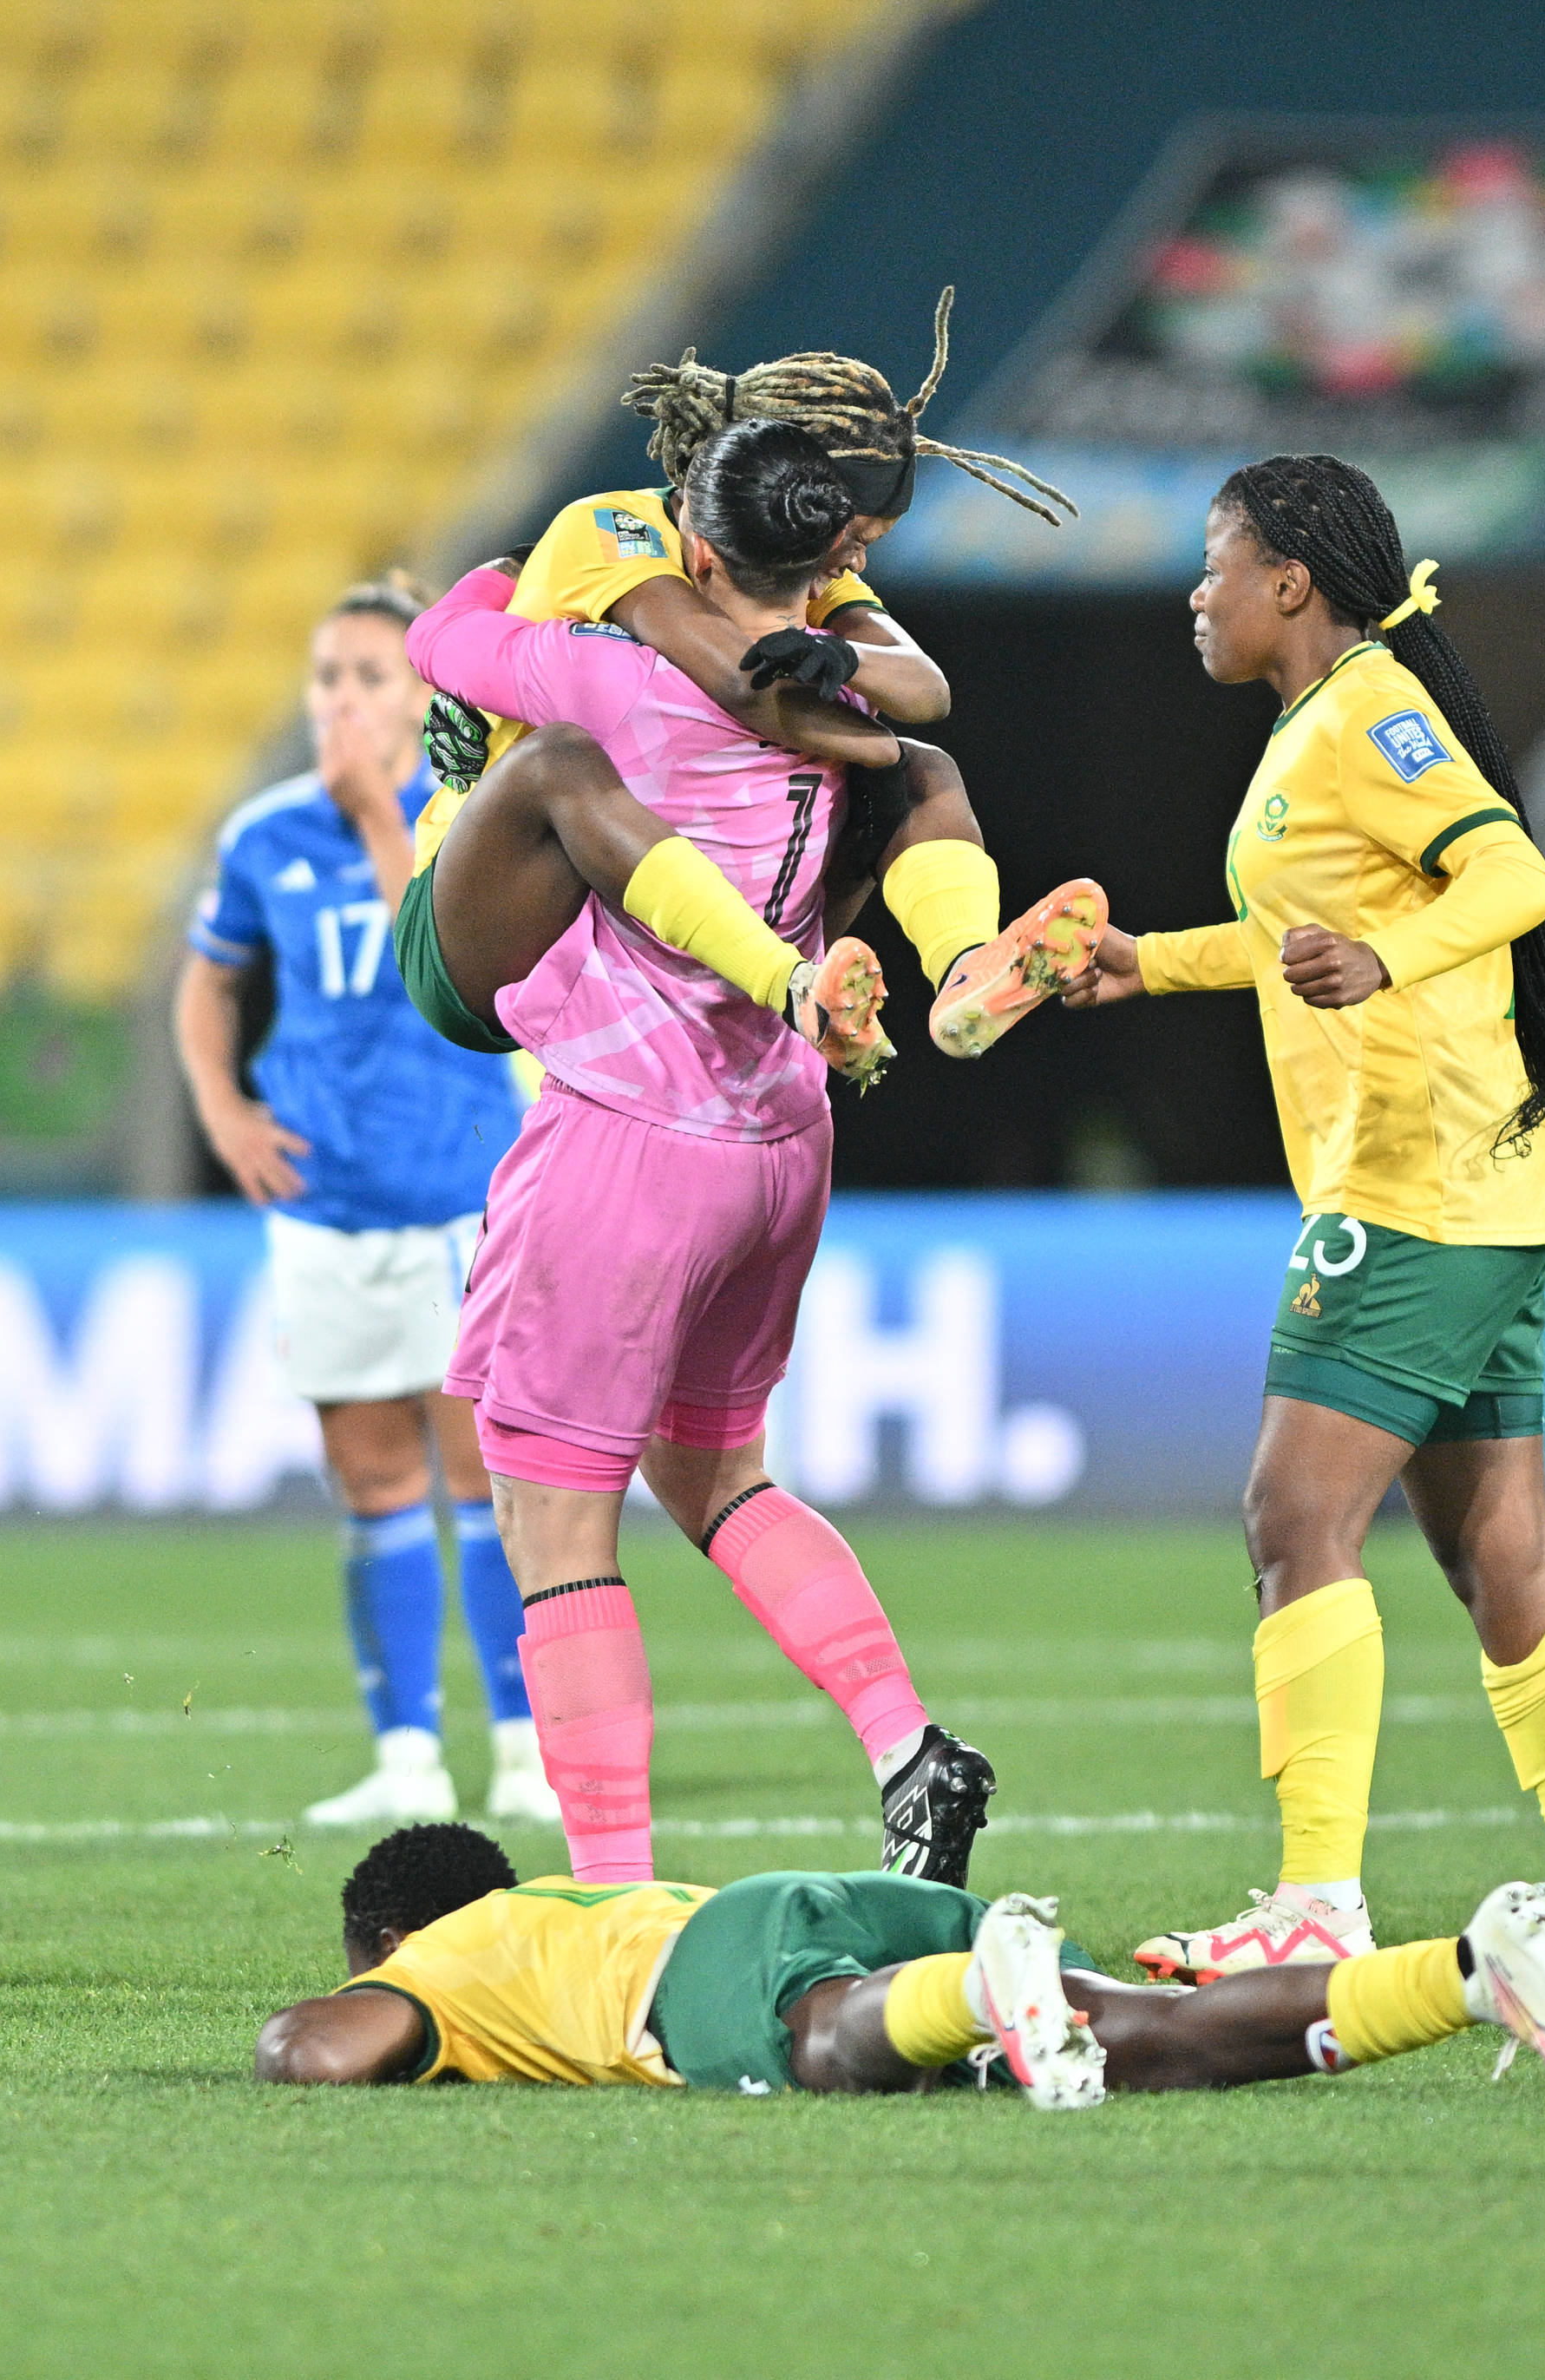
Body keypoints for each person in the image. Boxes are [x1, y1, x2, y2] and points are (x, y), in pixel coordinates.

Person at [1065, 454, 1545, 1990]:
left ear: (1290, 580)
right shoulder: (1317, 726)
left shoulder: (1367, 711)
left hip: (1412, 1178)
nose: (1197, 593)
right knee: (1499, 1548)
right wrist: (1154, 962)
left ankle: (1316, 1899)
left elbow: (1513, 871)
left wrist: (1392, 960)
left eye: (1218, 561)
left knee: (1293, 1516)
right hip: (1485, 1179)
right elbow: (1298, 935)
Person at [402, 423, 1008, 1892]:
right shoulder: (862, 713)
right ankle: (907, 1742)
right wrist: (845, 611)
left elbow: (444, 634)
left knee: (547, 1500)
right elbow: (918, 719)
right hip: (780, 1132)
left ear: (698, 536)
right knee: (715, 1467)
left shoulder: (616, 672)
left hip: (629, 1118)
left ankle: (615, 1896)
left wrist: (561, 565)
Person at [393, 292, 1104, 1087]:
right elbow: (737, 680)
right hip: (508, 918)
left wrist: (856, 673)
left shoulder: (803, 575)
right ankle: (791, 987)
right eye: (854, 541)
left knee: (923, 768)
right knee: (568, 764)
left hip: (662, 920)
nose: (856, 565)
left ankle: (967, 966)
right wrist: (869, 736)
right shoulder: (627, 538)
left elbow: (926, 690)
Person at [174, 575, 555, 1829]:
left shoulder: (477, 817)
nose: (340, 699)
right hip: (324, 1203)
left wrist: (375, 820)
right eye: (325, 676)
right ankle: (404, 1756)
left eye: (367, 677)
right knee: (370, 1475)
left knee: (479, 1473)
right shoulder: (265, 835)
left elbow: (446, 958)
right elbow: (208, 983)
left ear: (421, 694)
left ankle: (520, 1744)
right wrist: (225, 1111)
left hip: (454, 1191)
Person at [252, 1824, 1545, 2102]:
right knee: (1153, 2034)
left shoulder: (444, 1955)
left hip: (721, 1955)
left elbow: (320, 2046)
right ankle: (1473, 1967)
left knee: (816, 2044)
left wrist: (282, 2034)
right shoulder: (554, 1901)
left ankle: (988, 1982)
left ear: (392, 1940)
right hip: (828, 1895)